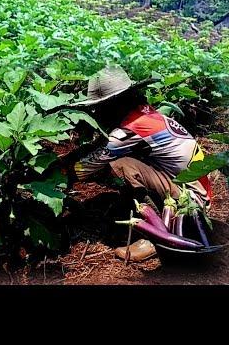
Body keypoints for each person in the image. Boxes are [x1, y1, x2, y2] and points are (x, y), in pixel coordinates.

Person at [66, 65, 213, 262]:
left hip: (190, 203)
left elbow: (85, 168)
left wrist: (56, 174)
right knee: (126, 161)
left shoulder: (130, 129)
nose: (96, 112)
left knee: (121, 166)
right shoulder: (145, 115)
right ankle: (141, 208)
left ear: (114, 103)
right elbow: (104, 145)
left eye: (99, 107)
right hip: (193, 187)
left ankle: (156, 232)